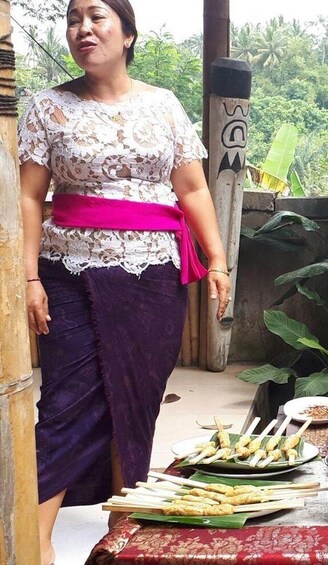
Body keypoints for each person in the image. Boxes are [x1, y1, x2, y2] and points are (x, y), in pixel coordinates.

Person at [18, 1, 231, 563]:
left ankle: (119, 544)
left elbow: (192, 190)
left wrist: (217, 261)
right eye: (73, 19)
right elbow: (28, 198)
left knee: (133, 405)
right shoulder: (47, 107)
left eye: (97, 16)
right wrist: (28, 277)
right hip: (70, 277)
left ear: (128, 32)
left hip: (154, 282)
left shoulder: (163, 106)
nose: (83, 29)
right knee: (65, 404)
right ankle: (31, 548)